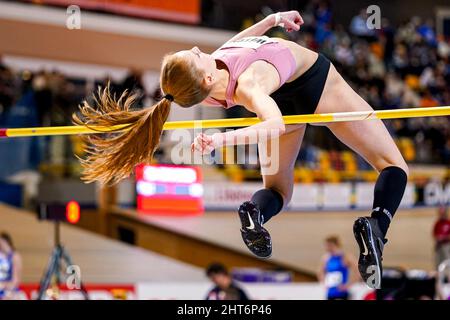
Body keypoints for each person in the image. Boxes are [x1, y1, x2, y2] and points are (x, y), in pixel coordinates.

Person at [74, 10, 409, 289]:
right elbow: (274, 123)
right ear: (204, 80)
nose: (194, 47)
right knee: (392, 163)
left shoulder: (202, 82)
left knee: (278, 190)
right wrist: (220, 140)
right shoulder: (248, 84)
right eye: (193, 54)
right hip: (312, 84)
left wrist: (272, 20)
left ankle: (256, 213)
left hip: (277, 98)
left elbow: (239, 42)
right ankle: (376, 228)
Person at [317, 235, 359, 300]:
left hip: (342, 292)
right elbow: (320, 272)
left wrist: (348, 285)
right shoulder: (326, 258)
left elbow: (358, 271)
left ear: (333, 245)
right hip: (330, 292)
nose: (326, 248)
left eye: (328, 245)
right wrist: (324, 283)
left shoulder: (345, 257)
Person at [0, 232, 22, 300]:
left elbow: (16, 280)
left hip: (9, 289)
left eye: (1, 243)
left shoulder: (14, 256)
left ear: (6, 242)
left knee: (10, 296)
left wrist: (4, 285)